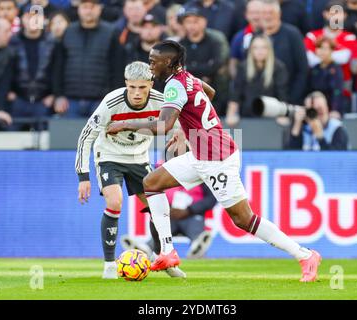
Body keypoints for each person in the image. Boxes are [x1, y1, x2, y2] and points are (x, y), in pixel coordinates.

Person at [106, 40, 322, 282]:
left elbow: (163, 125)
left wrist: (125, 124)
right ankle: (167, 252)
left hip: (217, 158)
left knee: (244, 219)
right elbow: (210, 93)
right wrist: (190, 127)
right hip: (201, 152)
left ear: (168, 63)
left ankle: (305, 255)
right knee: (152, 183)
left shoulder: (175, 87)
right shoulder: (186, 78)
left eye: (153, 62)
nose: (150, 66)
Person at [75, 61, 186, 279]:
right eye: (132, 87)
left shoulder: (161, 101)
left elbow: (182, 120)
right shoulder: (111, 102)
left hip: (139, 157)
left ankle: (161, 258)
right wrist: (83, 176)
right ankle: (109, 264)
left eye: (142, 88)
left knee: (158, 206)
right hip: (109, 156)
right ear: (126, 83)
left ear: (151, 84)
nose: (136, 93)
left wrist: (180, 132)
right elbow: (85, 137)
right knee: (114, 202)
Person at [53, 0, 122, 118]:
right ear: (79, 9)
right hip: (70, 101)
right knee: (71, 136)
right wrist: (58, 95)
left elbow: (117, 68)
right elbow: (58, 66)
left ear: (99, 9)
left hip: (101, 101)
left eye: (92, 7)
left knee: (100, 136)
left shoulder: (111, 33)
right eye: (85, 7)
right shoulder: (68, 32)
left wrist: (114, 100)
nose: (89, 11)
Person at [8, 7, 56, 130]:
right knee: (11, 143)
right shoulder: (13, 42)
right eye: (29, 16)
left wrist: (54, 95)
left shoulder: (52, 42)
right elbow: (6, 70)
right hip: (18, 100)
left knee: (46, 145)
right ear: (21, 19)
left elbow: (57, 70)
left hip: (44, 101)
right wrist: (9, 92)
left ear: (44, 19)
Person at [304, 0, 357, 111]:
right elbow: (310, 59)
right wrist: (332, 55)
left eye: (339, 13)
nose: (335, 17)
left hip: (342, 93)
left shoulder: (349, 37)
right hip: (315, 92)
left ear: (345, 16)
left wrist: (320, 54)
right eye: (332, 13)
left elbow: (345, 57)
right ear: (325, 14)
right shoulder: (312, 35)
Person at [226, 34, 288, 126]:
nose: (260, 51)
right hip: (247, 117)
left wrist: (283, 115)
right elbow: (236, 93)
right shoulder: (243, 67)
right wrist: (230, 114)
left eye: (264, 47)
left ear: (269, 50)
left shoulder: (279, 68)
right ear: (251, 50)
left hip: (271, 117)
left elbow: (282, 94)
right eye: (256, 48)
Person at [260, 0, 309, 105]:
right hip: (261, 102)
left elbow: (303, 70)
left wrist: (292, 100)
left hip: (289, 99)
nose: (268, 17)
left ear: (279, 14)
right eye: (265, 13)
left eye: (271, 13)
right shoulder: (256, 36)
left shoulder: (293, 34)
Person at [229, 0, 266, 79]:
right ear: (246, 15)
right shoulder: (239, 37)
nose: (255, 16)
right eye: (252, 13)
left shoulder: (272, 34)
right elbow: (233, 62)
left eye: (259, 12)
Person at [309, 37, 345, 117]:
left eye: (325, 48)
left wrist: (335, 110)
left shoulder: (335, 69)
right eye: (319, 48)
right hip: (315, 109)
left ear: (331, 50)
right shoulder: (315, 68)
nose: (322, 51)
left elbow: (337, 91)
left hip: (330, 110)